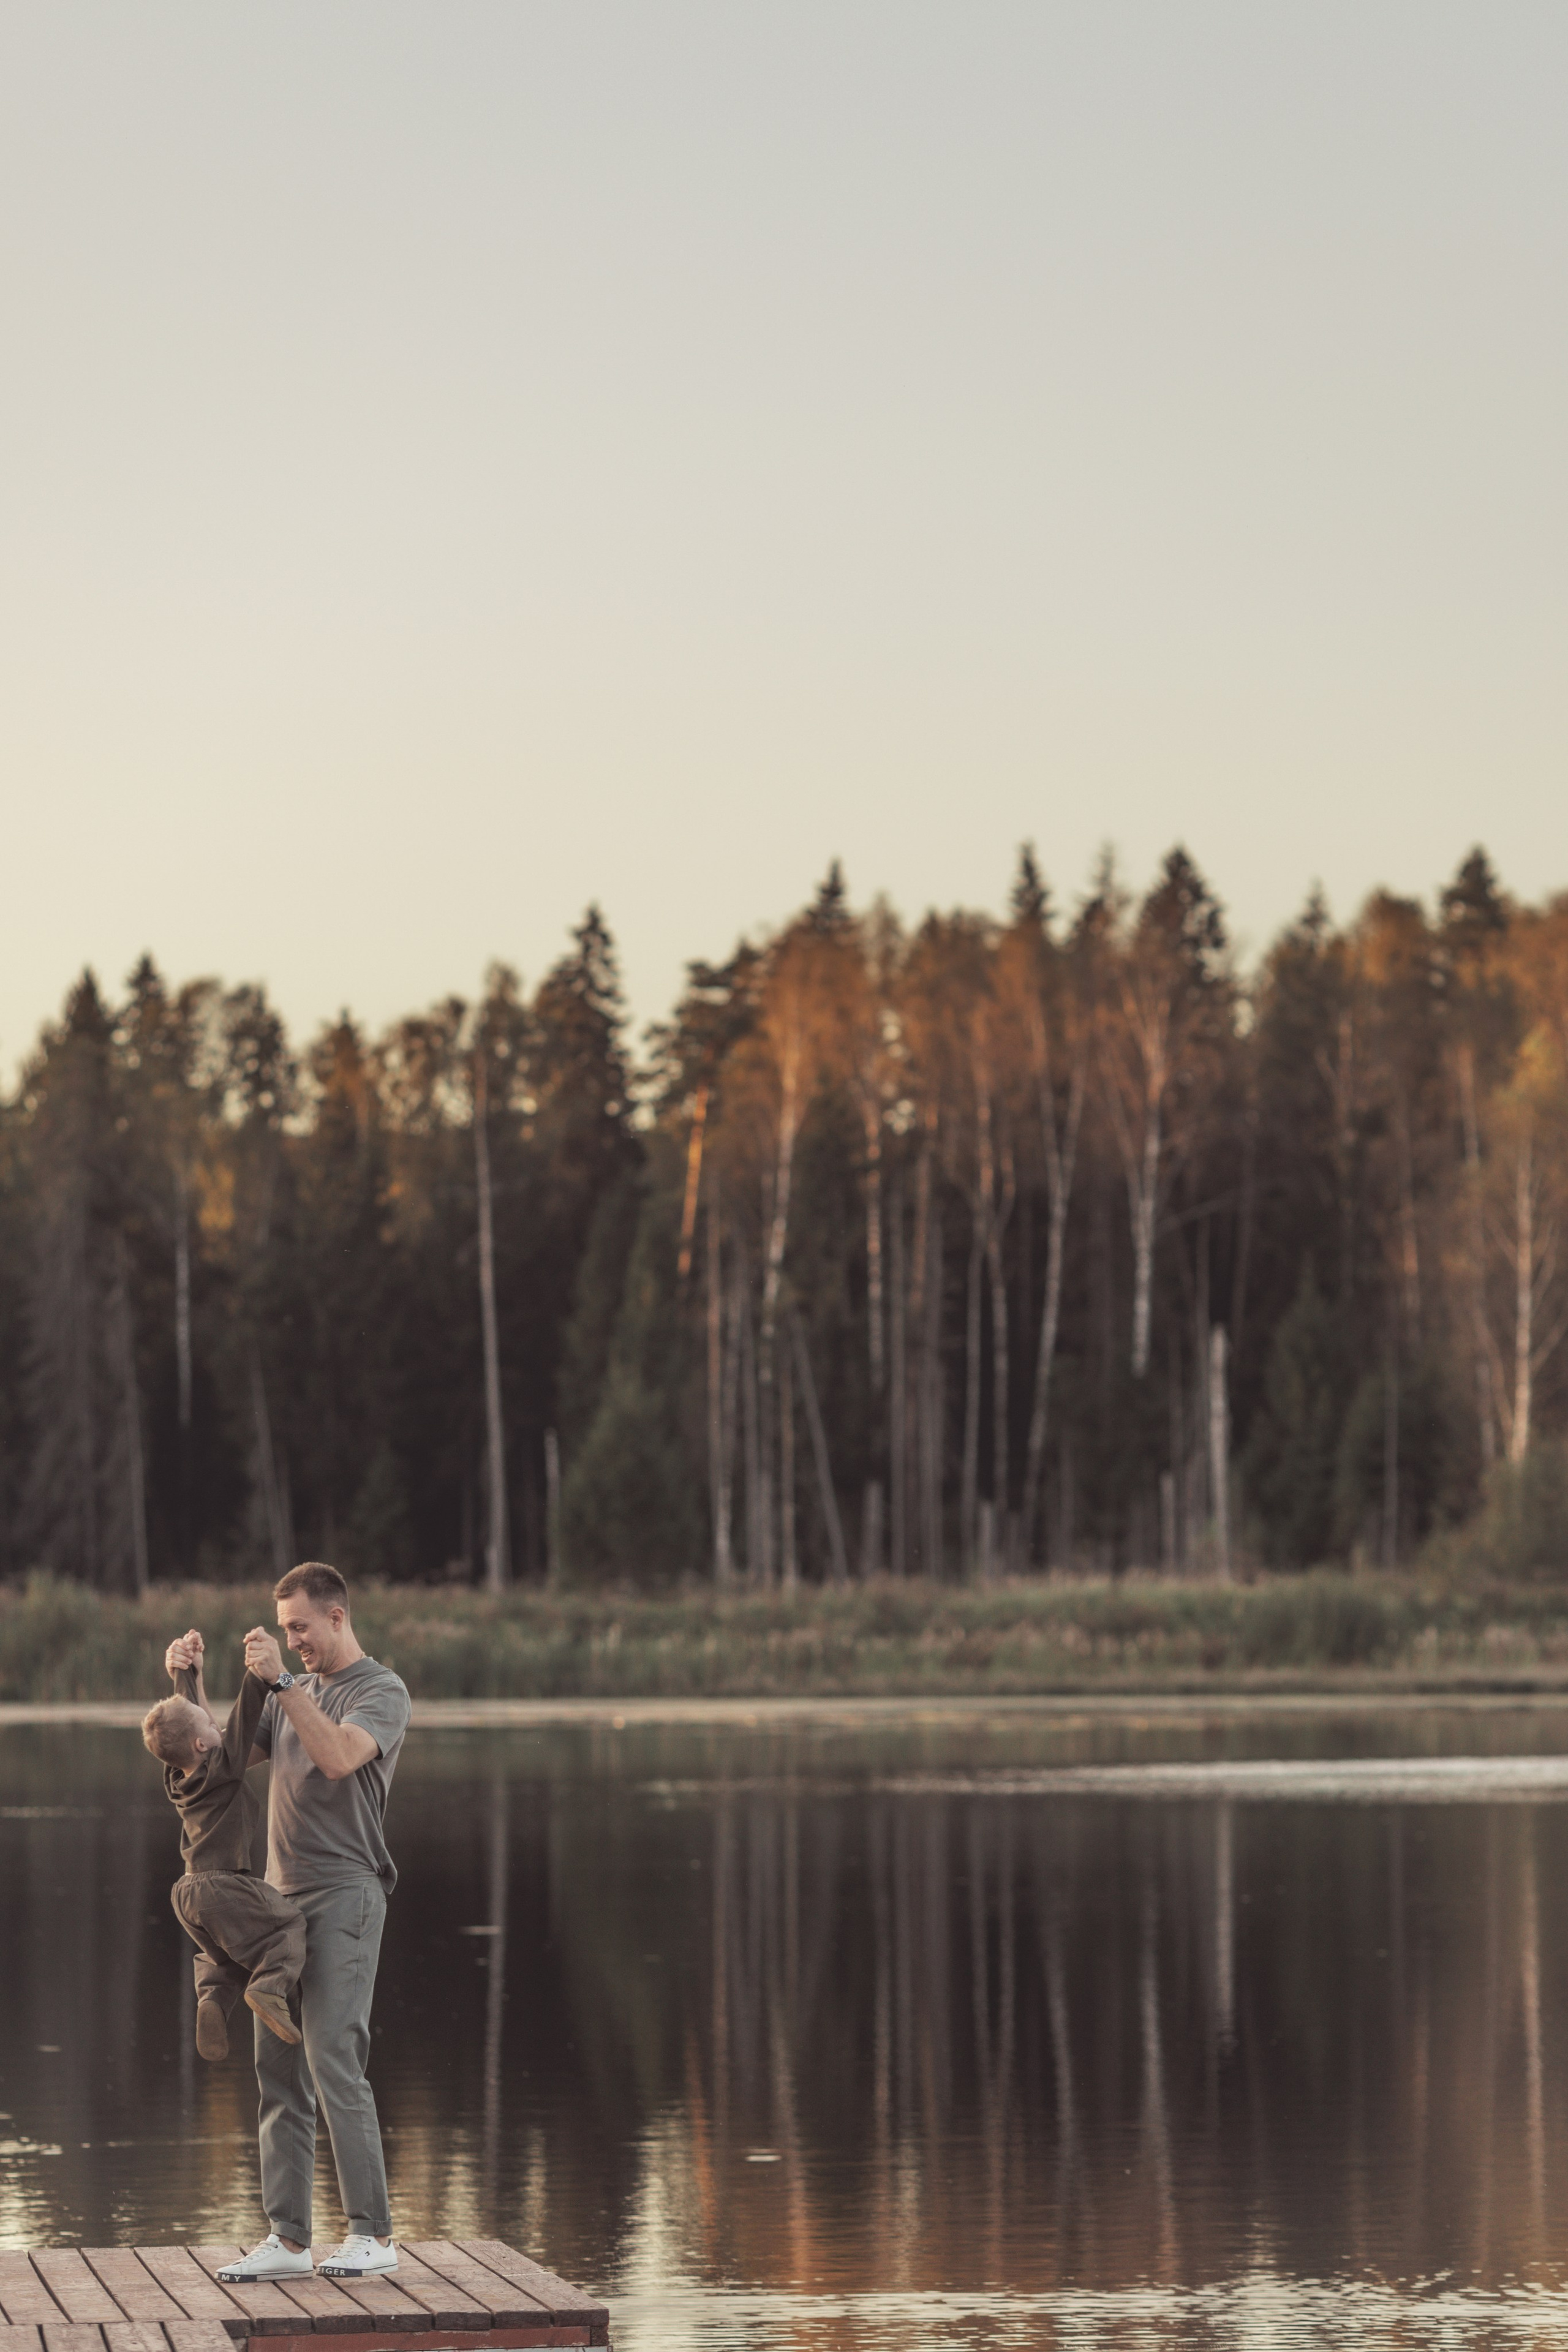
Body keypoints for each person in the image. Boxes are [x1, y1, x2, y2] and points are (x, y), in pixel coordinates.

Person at [164, 1561, 411, 2285]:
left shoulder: (380, 1691)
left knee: (333, 2056)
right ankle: (290, 2239)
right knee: (276, 2070)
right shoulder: (286, 1691)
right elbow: (224, 1757)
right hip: (276, 1903)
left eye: (301, 1626)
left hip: (346, 1893)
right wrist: (191, 1686)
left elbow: (336, 1758)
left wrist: (283, 1684)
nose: (293, 1640)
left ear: (337, 1616)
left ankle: (373, 2233)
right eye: (283, 1630)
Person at [142, 1636, 305, 2059]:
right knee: (287, 1928)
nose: (220, 1729)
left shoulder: (177, 1777)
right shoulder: (224, 1767)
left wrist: (188, 1674)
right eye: (214, 1729)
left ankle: (212, 1999)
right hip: (224, 1887)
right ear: (204, 1744)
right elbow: (248, 1711)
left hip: (187, 1894)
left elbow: (182, 1721)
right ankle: (270, 1989)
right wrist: (262, 1670)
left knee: (227, 1958)